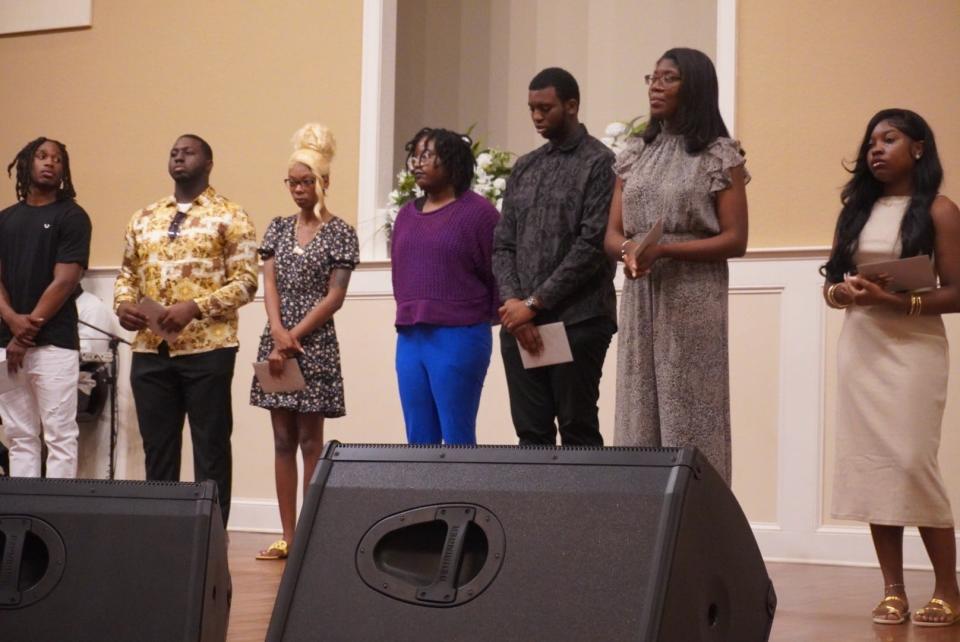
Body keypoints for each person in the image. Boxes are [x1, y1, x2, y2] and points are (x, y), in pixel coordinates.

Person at [823, 109, 960, 627]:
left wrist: (899, 302)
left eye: (890, 139)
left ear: (918, 148)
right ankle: (894, 589)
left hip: (915, 349)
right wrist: (846, 291)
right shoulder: (855, 211)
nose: (876, 149)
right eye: (871, 142)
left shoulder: (941, 210)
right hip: (863, 347)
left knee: (909, 462)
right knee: (875, 465)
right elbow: (833, 284)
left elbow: (957, 291)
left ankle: (948, 588)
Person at [603, 48, 748, 484]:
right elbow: (611, 232)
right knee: (639, 408)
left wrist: (665, 250)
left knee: (688, 409)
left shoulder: (719, 154)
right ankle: (643, 519)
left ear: (695, 87)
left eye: (669, 78)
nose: (655, 86)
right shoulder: (634, 153)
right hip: (641, 292)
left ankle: (699, 524)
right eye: (653, 77)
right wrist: (629, 251)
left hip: (694, 296)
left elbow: (735, 239)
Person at [114, 134, 258, 525]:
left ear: (209, 163)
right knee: (158, 448)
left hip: (208, 350)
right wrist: (123, 305)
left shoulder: (231, 215)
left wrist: (196, 307)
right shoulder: (144, 217)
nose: (179, 156)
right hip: (149, 350)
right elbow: (127, 274)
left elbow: (246, 282)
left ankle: (211, 537)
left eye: (188, 151)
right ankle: (162, 536)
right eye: (174, 151)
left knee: (210, 447)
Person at [492, 67, 617, 446]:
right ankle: (535, 509)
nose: (536, 117)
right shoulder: (526, 166)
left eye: (545, 108)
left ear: (572, 105)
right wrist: (515, 306)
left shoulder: (600, 163)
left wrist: (534, 303)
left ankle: (587, 508)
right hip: (521, 324)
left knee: (577, 428)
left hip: (578, 320)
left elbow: (591, 245)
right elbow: (503, 244)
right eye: (531, 108)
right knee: (531, 434)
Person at [250, 124, 358, 560]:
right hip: (276, 340)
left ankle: (310, 536)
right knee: (281, 438)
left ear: (324, 182)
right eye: (292, 182)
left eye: (306, 181)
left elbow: (335, 295)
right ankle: (287, 536)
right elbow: (270, 285)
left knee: (311, 440)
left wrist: (294, 335)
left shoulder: (340, 232)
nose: (298, 189)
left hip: (313, 342)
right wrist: (277, 331)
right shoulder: (277, 228)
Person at [391, 128, 499, 445]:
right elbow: (401, 274)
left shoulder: (479, 214)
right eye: (415, 155)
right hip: (411, 336)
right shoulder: (405, 216)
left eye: (427, 155)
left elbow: (498, 273)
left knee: (456, 436)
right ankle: (425, 498)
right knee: (418, 439)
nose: (417, 163)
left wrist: (475, 316)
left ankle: (461, 496)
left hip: (460, 334)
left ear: (451, 161)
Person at [0, 137, 91, 478]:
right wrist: (10, 319)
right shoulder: (4, 219)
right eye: (42, 156)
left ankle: (58, 525)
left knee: (59, 437)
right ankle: (24, 527)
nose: (50, 163)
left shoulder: (72, 216)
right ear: (27, 164)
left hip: (53, 344)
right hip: (5, 344)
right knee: (20, 436)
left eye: (57, 158)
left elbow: (65, 282)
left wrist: (24, 335)